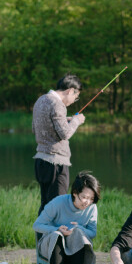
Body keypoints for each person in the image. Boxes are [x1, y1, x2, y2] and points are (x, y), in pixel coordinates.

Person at [33, 171, 100, 264]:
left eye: (91, 199)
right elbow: (37, 225)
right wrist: (56, 229)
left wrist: (79, 227)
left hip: (73, 245)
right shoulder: (58, 203)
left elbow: (92, 233)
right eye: (84, 197)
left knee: (80, 233)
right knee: (57, 235)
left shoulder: (91, 208)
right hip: (50, 245)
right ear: (75, 192)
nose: (87, 202)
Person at [32, 74, 85, 213]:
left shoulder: (41, 100)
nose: (75, 100)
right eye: (76, 96)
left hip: (40, 161)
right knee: (58, 207)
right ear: (70, 90)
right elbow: (65, 134)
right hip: (56, 163)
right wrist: (76, 121)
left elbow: (35, 128)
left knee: (45, 205)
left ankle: (42, 235)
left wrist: (64, 120)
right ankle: (55, 235)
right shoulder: (58, 104)